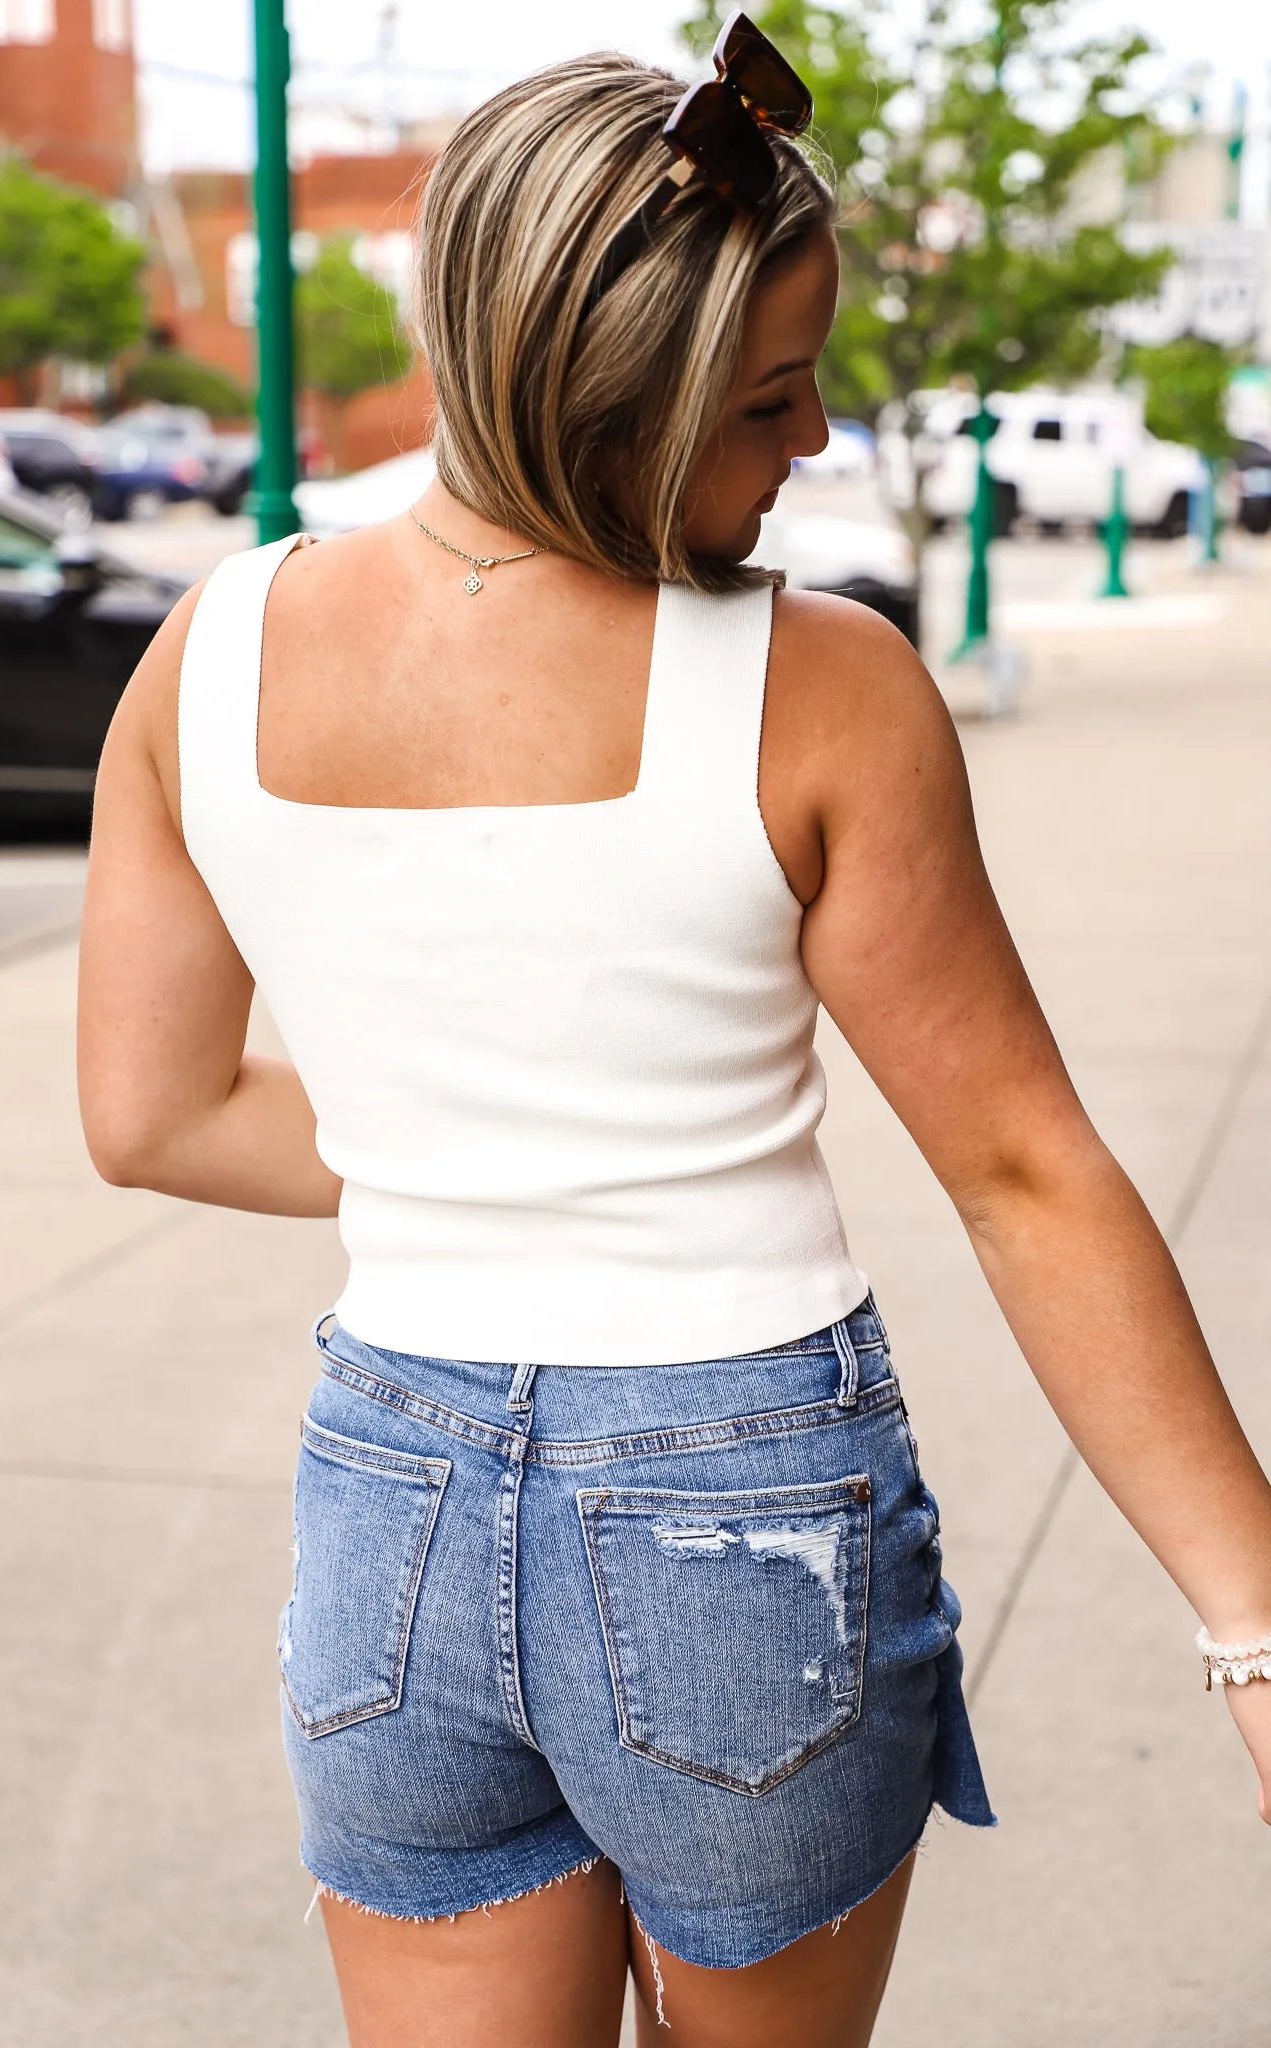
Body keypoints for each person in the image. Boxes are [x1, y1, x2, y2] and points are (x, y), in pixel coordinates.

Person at [76, 27, 1271, 2048]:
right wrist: (1250, 1621)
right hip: (736, 1505)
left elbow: (152, 1111)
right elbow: (1017, 1168)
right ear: (610, 404)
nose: (804, 450)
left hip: (393, 1504)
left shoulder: (212, 652)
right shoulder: (816, 687)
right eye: (772, 401)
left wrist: (473, 1153)